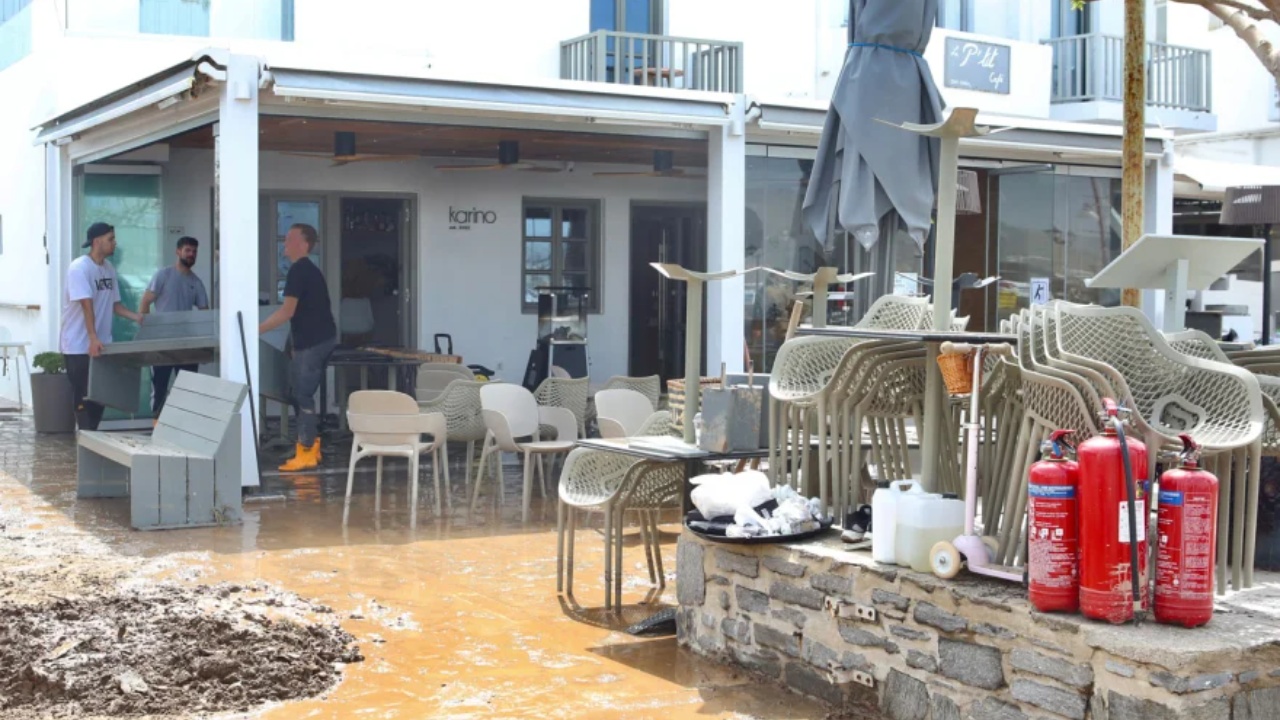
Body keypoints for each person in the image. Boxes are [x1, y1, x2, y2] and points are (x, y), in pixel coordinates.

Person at [260, 223, 337, 472]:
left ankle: (305, 451)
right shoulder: (308, 270)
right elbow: (303, 313)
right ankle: (311, 447)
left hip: (314, 342)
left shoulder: (299, 271)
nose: (285, 242)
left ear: (304, 244)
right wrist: (294, 344)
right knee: (299, 392)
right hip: (314, 339)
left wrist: (256, 330)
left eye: (290, 238)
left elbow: (287, 312)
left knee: (303, 394)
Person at [60, 222, 144, 431]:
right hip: (79, 346)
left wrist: (136, 317)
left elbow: (115, 305)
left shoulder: (108, 269)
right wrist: (92, 338)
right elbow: (86, 305)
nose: (115, 243)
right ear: (97, 242)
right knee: (84, 396)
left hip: (102, 345)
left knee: (99, 396)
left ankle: (91, 438)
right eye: (110, 239)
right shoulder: (79, 268)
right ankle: (85, 439)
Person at [141, 236, 209, 416]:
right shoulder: (163, 275)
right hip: (161, 344)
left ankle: (182, 427)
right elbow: (145, 302)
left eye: (194, 252)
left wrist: (203, 344)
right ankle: (156, 426)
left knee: (187, 390)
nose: (191, 254)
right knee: (159, 389)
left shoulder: (196, 282)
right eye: (187, 250)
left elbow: (205, 315)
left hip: (186, 345)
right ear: (178, 251)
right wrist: (147, 332)